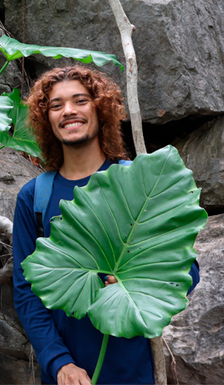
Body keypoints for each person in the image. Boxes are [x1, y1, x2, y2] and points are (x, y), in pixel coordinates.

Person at [12, 66, 201, 385]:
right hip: (66, 375)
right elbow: (26, 291)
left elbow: (185, 270)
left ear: (101, 109)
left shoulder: (139, 181)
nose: (68, 111)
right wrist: (59, 363)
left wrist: (137, 280)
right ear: (47, 119)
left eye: (80, 100)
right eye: (56, 105)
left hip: (132, 371)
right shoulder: (35, 197)